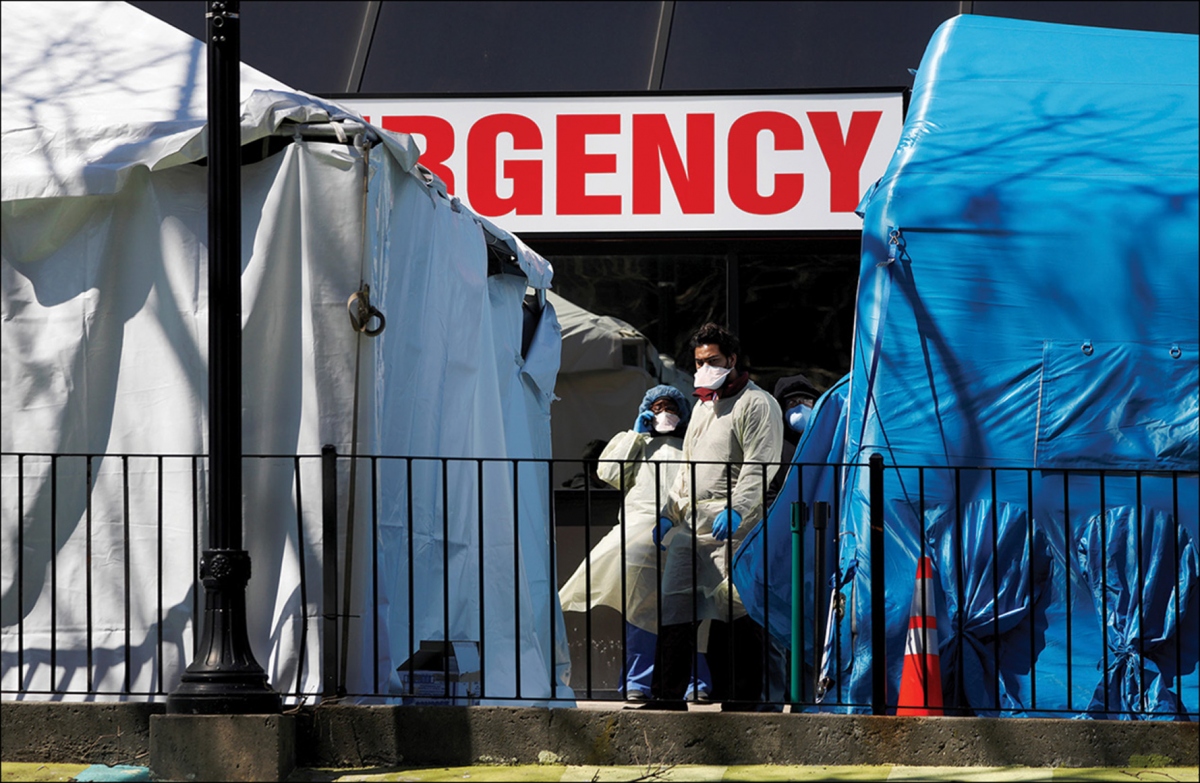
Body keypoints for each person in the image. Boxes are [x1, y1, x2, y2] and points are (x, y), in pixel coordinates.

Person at [649, 323, 783, 711]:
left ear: (733, 360)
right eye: (698, 362)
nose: (704, 367)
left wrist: (739, 508)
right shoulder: (706, 406)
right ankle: (666, 696)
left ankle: (739, 698)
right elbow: (688, 469)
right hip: (692, 528)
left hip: (733, 530)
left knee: (735, 613)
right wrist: (668, 512)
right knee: (674, 610)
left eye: (712, 360)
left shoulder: (756, 405)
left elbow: (761, 464)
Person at [558, 385, 712, 703]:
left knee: (688, 615)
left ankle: (693, 683)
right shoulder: (637, 445)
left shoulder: (693, 446)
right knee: (640, 611)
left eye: (669, 406)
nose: (664, 412)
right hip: (640, 535)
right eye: (656, 407)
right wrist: (634, 435)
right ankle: (637, 683)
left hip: (685, 533)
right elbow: (609, 473)